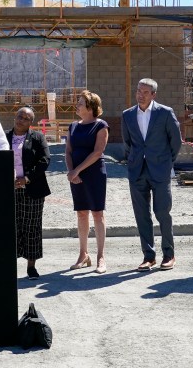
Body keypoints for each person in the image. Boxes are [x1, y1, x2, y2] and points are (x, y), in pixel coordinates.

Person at [121, 78, 182, 271]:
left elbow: (176, 141)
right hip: (137, 170)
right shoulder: (127, 115)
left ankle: (169, 255)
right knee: (142, 215)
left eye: (145, 92)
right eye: (138, 91)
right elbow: (128, 143)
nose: (140, 95)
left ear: (153, 94)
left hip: (160, 170)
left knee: (162, 212)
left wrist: (166, 162)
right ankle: (148, 256)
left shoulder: (165, 113)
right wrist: (133, 160)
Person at [65, 90, 109, 274]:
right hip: (76, 176)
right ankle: (83, 255)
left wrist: (77, 170)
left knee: (97, 214)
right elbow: (68, 151)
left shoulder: (101, 125)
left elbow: (98, 152)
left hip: (94, 174)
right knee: (81, 214)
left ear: (90, 107)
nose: (77, 105)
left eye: (81, 103)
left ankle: (101, 257)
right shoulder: (73, 126)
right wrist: (71, 172)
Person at [6, 106, 51, 280]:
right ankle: (9, 265)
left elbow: (45, 160)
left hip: (33, 189)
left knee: (31, 228)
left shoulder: (37, 137)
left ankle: (31, 267)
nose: (21, 120)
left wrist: (27, 178)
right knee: (11, 228)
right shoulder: (4, 137)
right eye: (19, 116)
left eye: (25, 118)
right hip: (9, 190)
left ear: (31, 122)